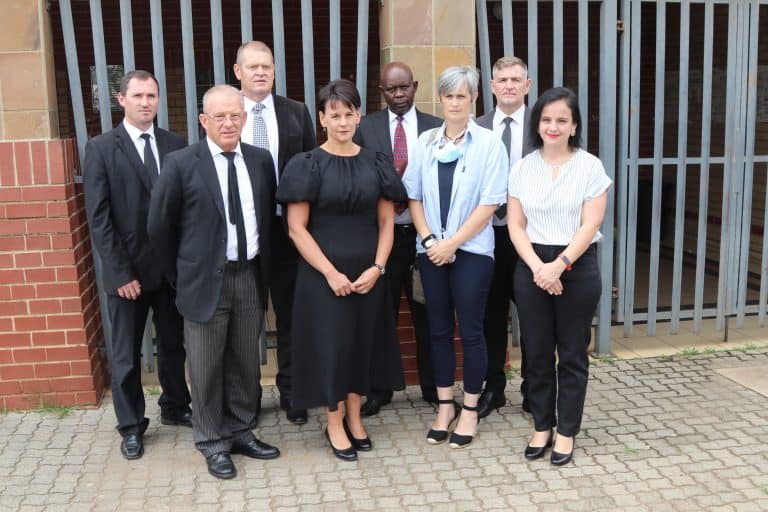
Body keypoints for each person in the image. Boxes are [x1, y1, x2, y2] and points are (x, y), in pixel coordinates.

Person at [147, 85, 280, 479]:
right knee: (205, 368)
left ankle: (241, 430)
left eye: (235, 115)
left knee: (244, 362)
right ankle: (212, 441)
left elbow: (267, 219)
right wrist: (180, 275)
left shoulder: (259, 160)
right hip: (204, 281)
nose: (228, 123)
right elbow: (159, 227)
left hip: (249, 276)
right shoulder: (181, 163)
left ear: (244, 118)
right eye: (219, 116)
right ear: (203, 120)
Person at [276, 80, 406, 462]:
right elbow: (296, 228)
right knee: (332, 347)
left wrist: (379, 267)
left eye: (349, 113)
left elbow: (387, 223)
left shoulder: (375, 161)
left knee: (361, 344)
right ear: (322, 118)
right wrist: (330, 273)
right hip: (322, 276)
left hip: (368, 273)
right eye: (335, 115)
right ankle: (333, 422)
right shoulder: (306, 165)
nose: (343, 121)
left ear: (359, 115)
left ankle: (355, 417)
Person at [83, 70, 191, 461]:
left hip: (169, 272)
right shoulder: (100, 148)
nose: (146, 102)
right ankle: (131, 425)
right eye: (139, 95)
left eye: (152, 96)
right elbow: (99, 217)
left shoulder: (175, 144)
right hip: (127, 274)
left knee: (174, 346)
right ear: (121, 100)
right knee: (126, 356)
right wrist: (119, 273)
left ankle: (176, 406)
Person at [403, 66, 508, 449]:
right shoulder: (427, 142)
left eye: (461, 96)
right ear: (441, 99)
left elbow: (491, 201)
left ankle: (469, 409)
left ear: (474, 99)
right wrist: (431, 239)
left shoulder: (489, 144)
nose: (454, 102)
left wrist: (453, 243)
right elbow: (413, 196)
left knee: (472, 331)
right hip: (430, 250)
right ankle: (444, 406)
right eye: (448, 96)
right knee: (439, 330)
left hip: (472, 253)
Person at [507, 87, 611, 465]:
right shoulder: (522, 168)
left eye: (561, 120)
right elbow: (516, 226)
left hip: (577, 266)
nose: (553, 126)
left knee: (571, 353)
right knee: (535, 353)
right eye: (546, 119)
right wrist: (539, 267)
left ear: (574, 125)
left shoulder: (590, 166)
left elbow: (591, 223)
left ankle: (566, 431)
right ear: (537, 125)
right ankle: (541, 426)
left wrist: (560, 265)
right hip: (532, 264)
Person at [233, 41, 317, 425]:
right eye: (253, 67)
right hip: (243, 235)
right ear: (238, 72)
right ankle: (246, 399)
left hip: (288, 235)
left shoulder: (296, 112)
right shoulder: (228, 113)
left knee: (290, 317)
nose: (261, 73)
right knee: (246, 320)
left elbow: (313, 167)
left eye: (267, 66)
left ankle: (293, 391)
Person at [353, 61, 442, 416]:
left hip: (423, 237)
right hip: (383, 239)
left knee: (427, 311)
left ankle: (434, 387)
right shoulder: (366, 128)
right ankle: (379, 390)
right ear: (382, 91)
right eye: (391, 89)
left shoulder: (436, 129)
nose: (398, 94)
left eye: (404, 87)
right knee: (380, 315)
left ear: (415, 86)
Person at [474, 56, 534, 419]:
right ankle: (493, 387)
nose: (509, 85)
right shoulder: (476, 128)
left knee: (533, 315)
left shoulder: (544, 127)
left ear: (527, 85)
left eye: (516, 79)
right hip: (487, 237)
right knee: (489, 315)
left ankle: (533, 387)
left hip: (529, 236)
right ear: (492, 87)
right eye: (502, 80)